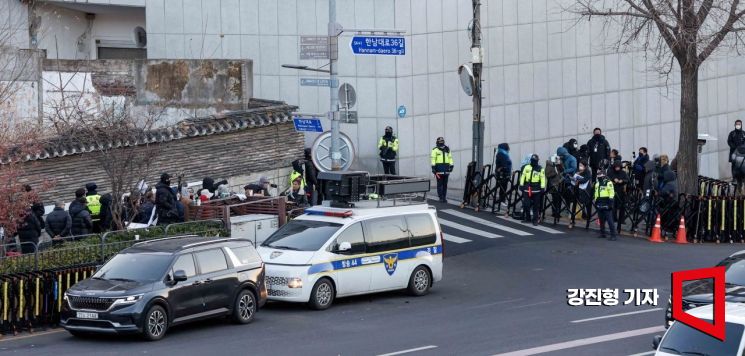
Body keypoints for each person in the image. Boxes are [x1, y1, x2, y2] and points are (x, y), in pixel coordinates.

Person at [519, 154, 546, 226]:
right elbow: (523, 176)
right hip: (527, 188)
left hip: (536, 189)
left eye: (535, 161)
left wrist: (542, 187)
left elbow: (542, 178)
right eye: (532, 160)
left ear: (537, 161)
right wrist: (521, 185)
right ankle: (528, 218)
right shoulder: (526, 167)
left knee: (536, 206)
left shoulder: (540, 168)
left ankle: (535, 220)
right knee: (526, 204)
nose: (533, 162)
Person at [594, 169, 616, 240]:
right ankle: (602, 233)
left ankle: (613, 235)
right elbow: (596, 193)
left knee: (609, 220)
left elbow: (611, 192)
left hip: (606, 202)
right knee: (601, 219)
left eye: (600, 174)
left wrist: (610, 203)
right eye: (598, 174)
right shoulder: (597, 183)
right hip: (599, 202)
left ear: (603, 174)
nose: (598, 175)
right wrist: (596, 201)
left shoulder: (608, 182)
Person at [607, 161, 629, 233]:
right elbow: (608, 178)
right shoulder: (611, 172)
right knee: (613, 207)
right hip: (612, 191)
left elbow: (627, 180)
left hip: (620, 192)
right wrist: (614, 179)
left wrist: (622, 181)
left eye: (618, 167)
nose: (617, 168)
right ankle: (613, 220)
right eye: (616, 167)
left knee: (621, 207)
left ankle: (620, 222)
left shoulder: (623, 173)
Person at [569, 160, 592, 229]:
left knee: (587, 205)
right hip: (577, 190)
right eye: (579, 165)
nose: (580, 167)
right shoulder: (578, 171)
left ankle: (588, 221)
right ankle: (572, 220)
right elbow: (574, 177)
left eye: (581, 165)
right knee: (574, 204)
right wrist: (573, 179)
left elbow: (585, 179)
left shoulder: (588, 172)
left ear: (585, 166)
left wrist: (578, 181)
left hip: (586, 191)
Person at [431, 137, 454, 203]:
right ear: (437, 142)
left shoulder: (447, 149)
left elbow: (450, 158)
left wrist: (452, 165)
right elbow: (433, 159)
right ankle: (441, 197)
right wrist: (433, 168)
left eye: (442, 142)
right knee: (440, 184)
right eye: (440, 142)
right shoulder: (435, 150)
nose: (441, 143)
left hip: (446, 170)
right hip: (438, 170)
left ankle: (444, 197)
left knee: (445, 184)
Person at [545, 154, 564, 222]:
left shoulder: (558, 164)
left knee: (559, 199)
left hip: (559, 184)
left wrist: (560, 164)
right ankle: (554, 212)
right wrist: (555, 172)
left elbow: (562, 171)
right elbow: (547, 174)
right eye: (555, 159)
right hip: (553, 184)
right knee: (555, 199)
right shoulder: (549, 165)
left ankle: (558, 212)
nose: (556, 160)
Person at [495, 143, 512, 208]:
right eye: (507, 147)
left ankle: (501, 200)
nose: (509, 148)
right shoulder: (502, 154)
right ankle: (502, 200)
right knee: (503, 187)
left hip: (504, 173)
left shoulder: (504, 154)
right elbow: (504, 164)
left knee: (503, 187)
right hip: (502, 174)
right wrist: (505, 169)